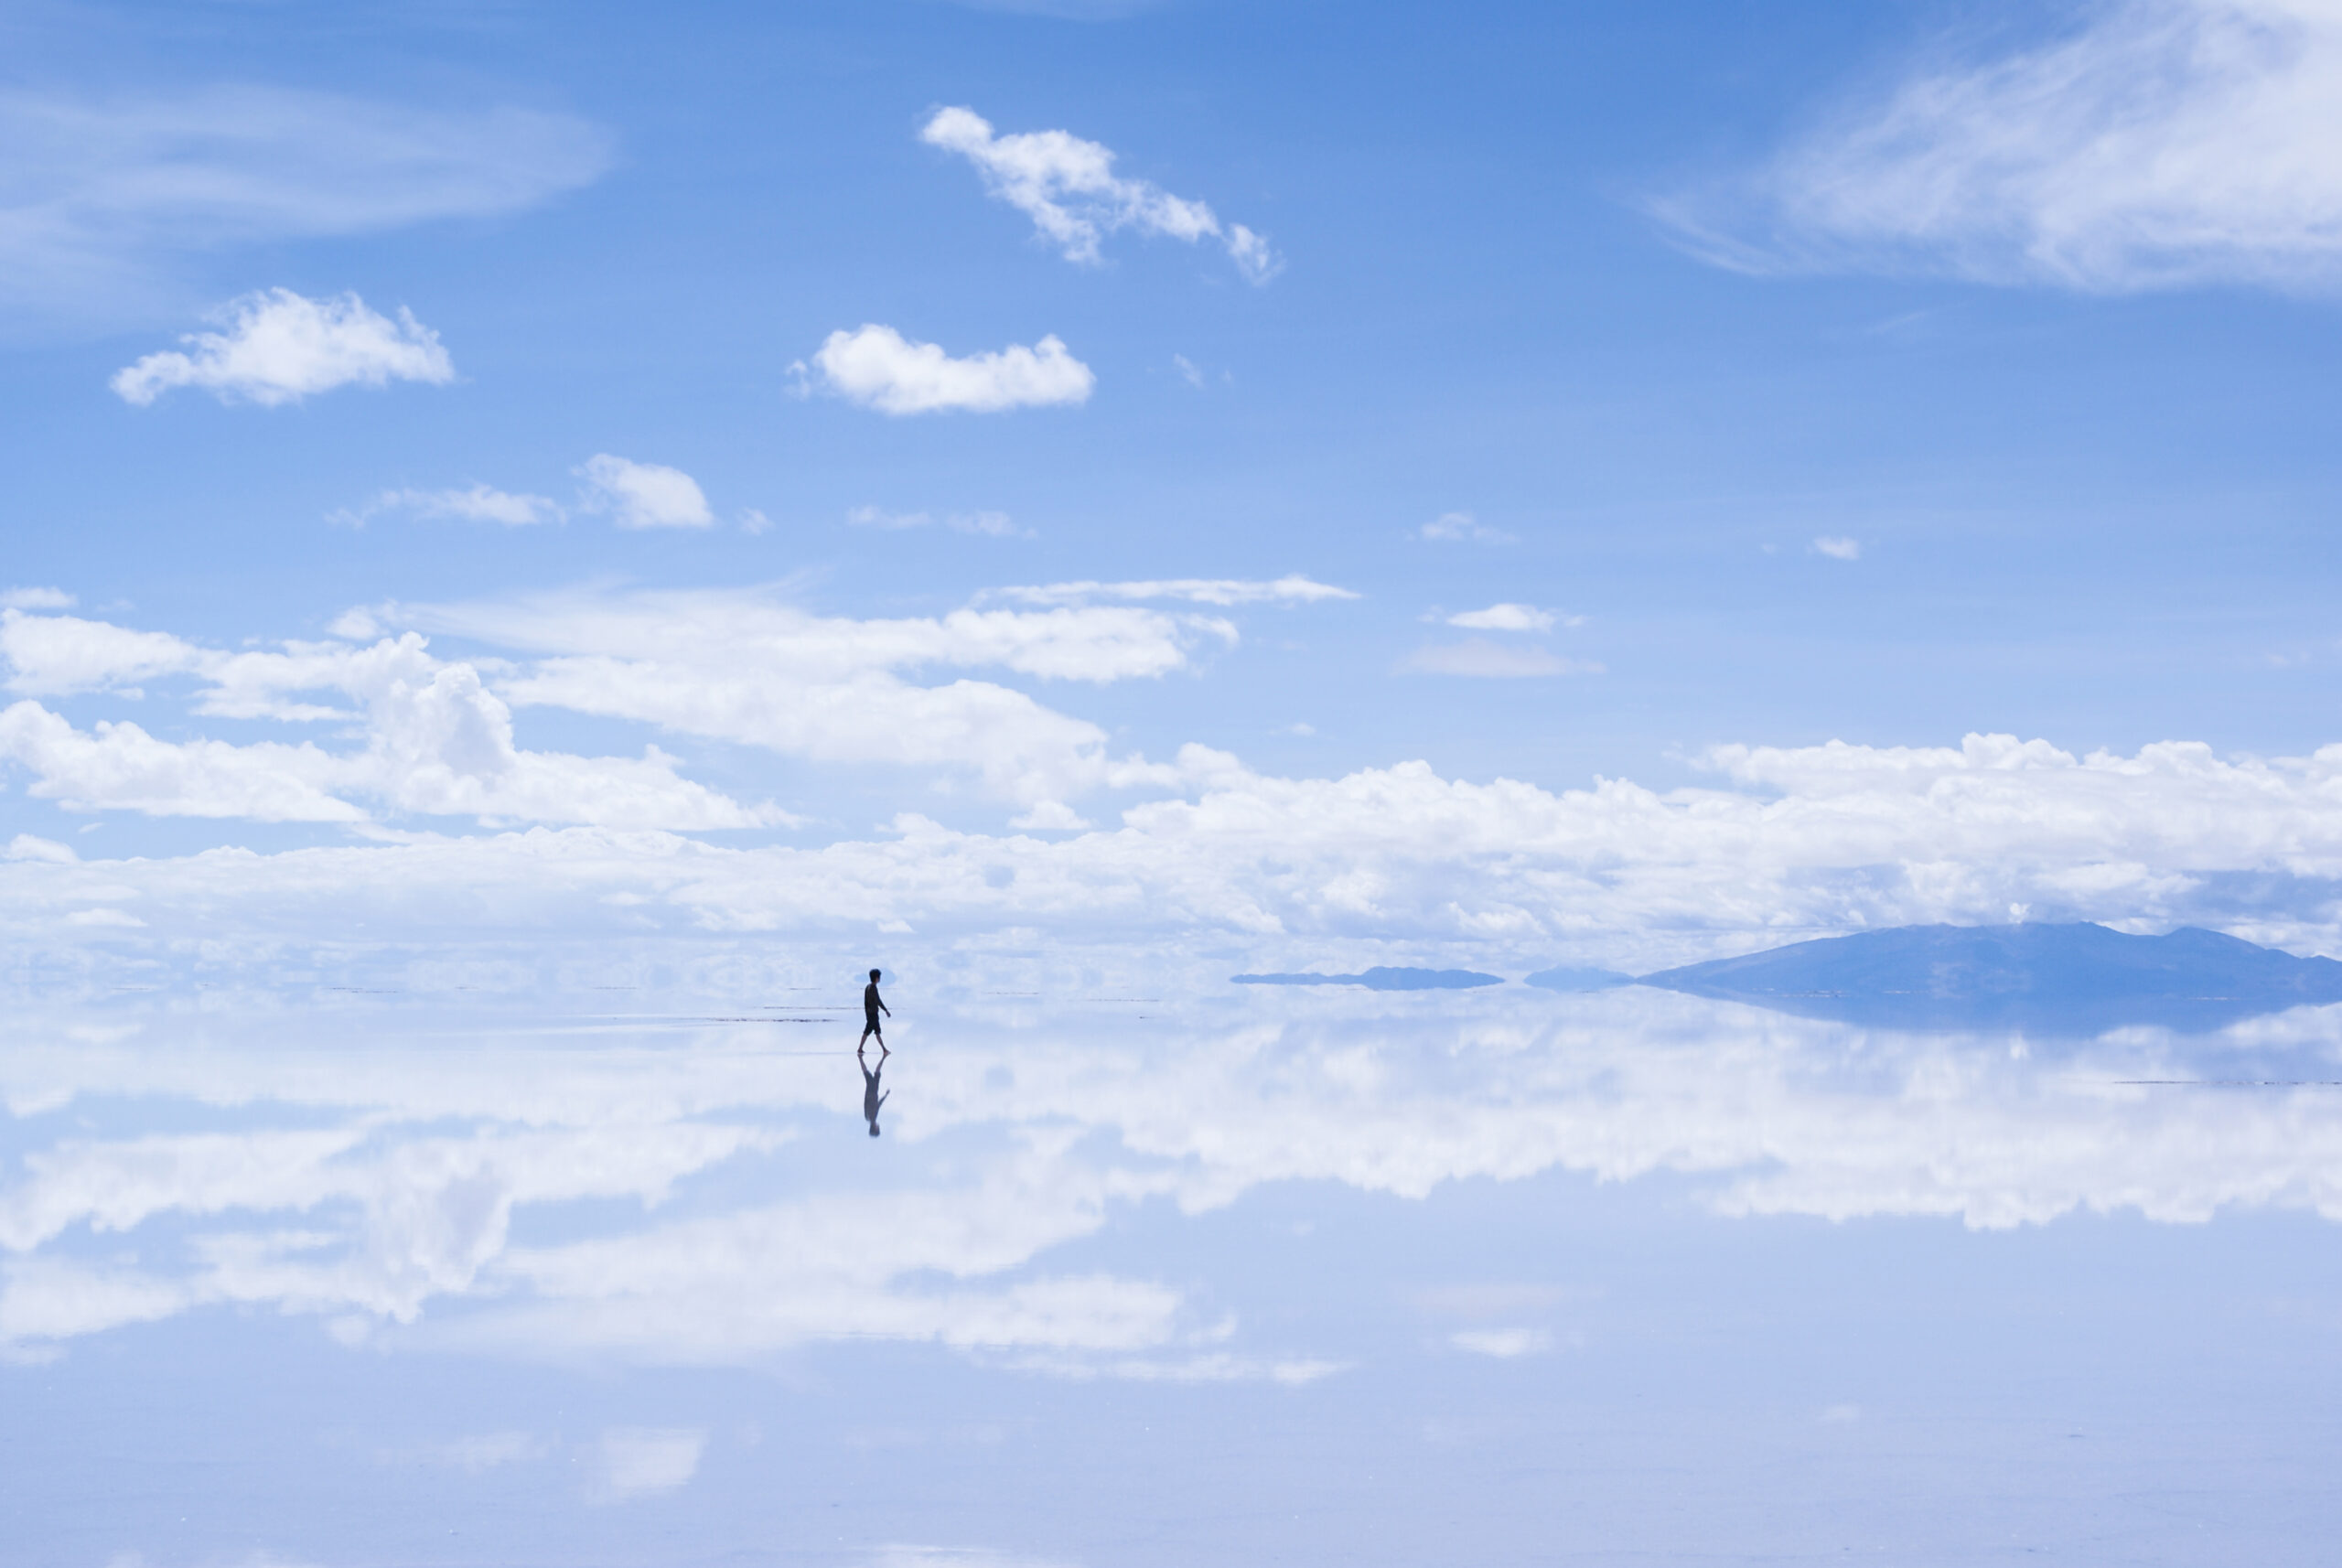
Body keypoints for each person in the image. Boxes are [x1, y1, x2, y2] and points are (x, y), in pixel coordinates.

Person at [860, 968, 890, 1053]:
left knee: (877, 1032)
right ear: (876, 978)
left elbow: (866, 1002)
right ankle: (860, 1048)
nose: (880, 979)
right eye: (879, 977)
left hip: (871, 1013)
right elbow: (878, 1000)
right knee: (867, 1032)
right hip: (873, 1014)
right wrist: (885, 1010)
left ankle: (884, 1049)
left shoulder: (868, 987)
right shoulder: (873, 988)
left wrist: (867, 1013)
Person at [860, 1052, 888, 1137]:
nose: (879, 1128)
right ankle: (883, 1057)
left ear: (874, 1128)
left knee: (868, 1073)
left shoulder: (871, 1117)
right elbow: (878, 1104)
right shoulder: (870, 1118)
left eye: (877, 1129)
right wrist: (885, 1095)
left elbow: (873, 1104)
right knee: (875, 1073)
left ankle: (860, 1058)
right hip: (873, 1091)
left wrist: (871, 1093)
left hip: (872, 1091)